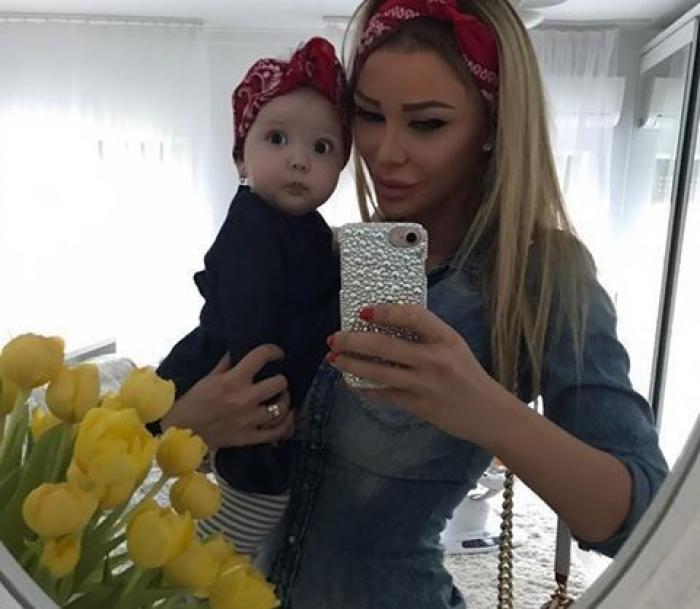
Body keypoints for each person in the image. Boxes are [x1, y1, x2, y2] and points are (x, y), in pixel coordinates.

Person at [160, 1, 670, 607]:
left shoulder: (538, 276)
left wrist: (482, 409)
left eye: (427, 123)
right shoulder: (332, 257)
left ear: (492, 127)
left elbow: (647, 521)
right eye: (369, 115)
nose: (385, 152)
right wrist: (188, 422)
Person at [154, 37, 351, 553]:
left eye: (322, 148)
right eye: (277, 139)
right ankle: (201, 563)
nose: (299, 161)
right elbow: (252, 318)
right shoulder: (252, 225)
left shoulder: (311, 230)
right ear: (241, 158)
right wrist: (265, 398)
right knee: (257, 490)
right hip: (238, 368)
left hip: (274, 374)